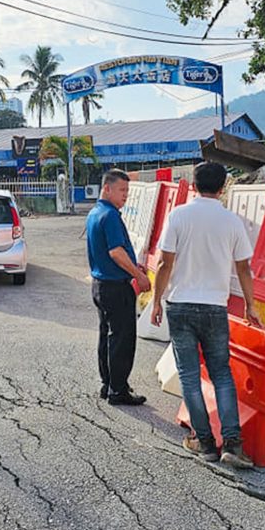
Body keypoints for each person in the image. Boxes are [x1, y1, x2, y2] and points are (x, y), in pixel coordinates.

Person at [150, 162, 260, 468]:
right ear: (223, 187)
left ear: (193, 185)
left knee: (189, 375)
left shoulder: (179, 215)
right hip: (215, 307)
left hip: (181, 304)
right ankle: (233, 444)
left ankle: (204, 442)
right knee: (222, 374)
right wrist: (251, 306)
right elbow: (243, 269)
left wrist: (157, 301)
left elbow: (164, 264)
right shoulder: (232, 222)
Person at [86, 169, 151, 406]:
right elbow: (115, 252)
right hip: (115, 286)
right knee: (122, 339)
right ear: (107, 188)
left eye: (128, 191)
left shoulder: (96, 212)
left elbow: (111, 250)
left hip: (101, 286)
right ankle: (119, 389)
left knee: (108, 336)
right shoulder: (111, 215)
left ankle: (108, 383)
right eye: (122, 190)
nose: (126, 195)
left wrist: (134, 264)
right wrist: (138, 276)